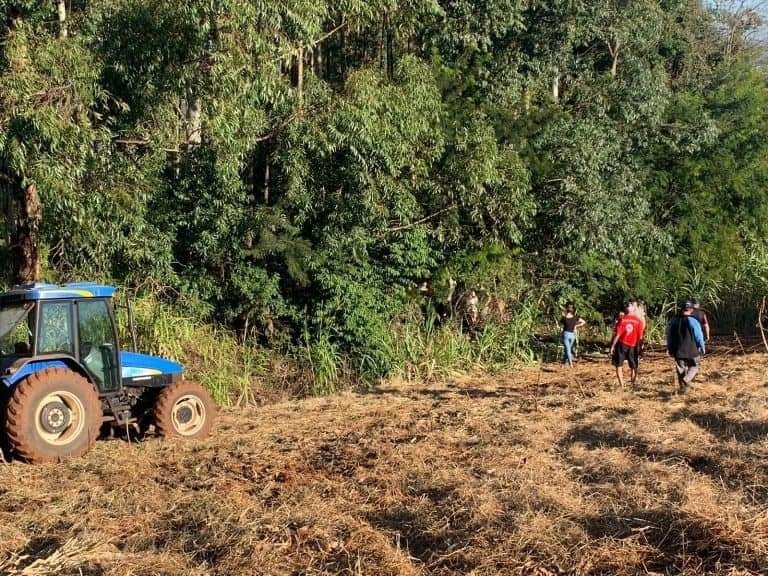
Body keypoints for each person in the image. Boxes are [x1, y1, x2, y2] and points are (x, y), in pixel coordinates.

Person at [666, 301, 706, 392]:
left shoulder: (674, 321)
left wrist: (669, 347)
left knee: (680, 370)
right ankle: (687, 380)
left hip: (678, 351)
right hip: (692, 350)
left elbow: (669, 335)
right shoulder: (693, 321)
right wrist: (702, 346)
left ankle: (683, 389)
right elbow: (698, 335)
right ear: (691, 310)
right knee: (694, 367)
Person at [609, 301, 645, 387]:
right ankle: (632, 383)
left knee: (619, 365)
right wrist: (640, 346)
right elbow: (640, 336)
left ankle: (622, 385)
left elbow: (617, 335)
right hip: (632, 345)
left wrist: (612, 346)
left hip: (622, 345)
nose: (630, 306)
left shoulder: (623, 319)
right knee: (633, 365)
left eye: (631, 305)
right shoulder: (638, 321)